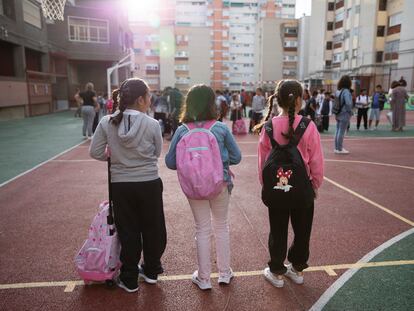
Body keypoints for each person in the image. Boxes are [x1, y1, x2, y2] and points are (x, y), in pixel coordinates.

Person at [89, 78, 166, 293]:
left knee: (128, 230)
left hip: (121, 184)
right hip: (149, 182)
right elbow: (156, 153)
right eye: (149, 96)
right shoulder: (152, 124)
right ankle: (151, 271)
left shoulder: (107, 122)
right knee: (154, 227)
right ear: (141, 99)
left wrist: (117, 159)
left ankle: (129, 277)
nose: (150, 100)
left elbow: (95, 152)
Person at [165, 84, 242, 290]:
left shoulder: (182, 130)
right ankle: (224, 273)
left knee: (202, 228)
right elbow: (237, 157)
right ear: (211, 104)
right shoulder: (220, 128)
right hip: (219, 184)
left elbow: (170, 162)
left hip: (194, 187)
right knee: (221, 226)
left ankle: (204, 278)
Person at [256, 79, 324, 288]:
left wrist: (266, 185)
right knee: (303, 229)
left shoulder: (268, 127)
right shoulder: (308, 125)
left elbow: (263, 163)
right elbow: (316, 160)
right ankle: (297, 269)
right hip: (302, 188)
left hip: (276, 187)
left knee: (277, 230)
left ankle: (276, 271)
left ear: (277, 100)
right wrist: (316, 184)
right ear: (300, 100)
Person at [334, 75, 353, 154]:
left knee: (338, 131)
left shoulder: (338, 91)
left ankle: (336, 147)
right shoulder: (346, 91)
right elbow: (348, 103)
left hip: (338, 113)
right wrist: (350, 111)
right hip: (344, 113)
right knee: (341, 131)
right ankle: (340, 149)